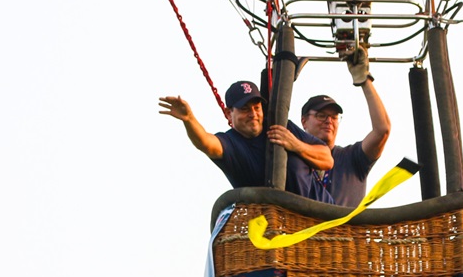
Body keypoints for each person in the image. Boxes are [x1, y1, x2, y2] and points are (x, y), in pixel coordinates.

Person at [159, 80, 335, 201]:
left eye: (257, 107)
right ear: (229, 113)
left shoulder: (281, 125)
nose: (253, 114)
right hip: (280, 228)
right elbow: (205, 142)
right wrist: (189, 119)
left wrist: (295, 145)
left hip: (323, 218)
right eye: (245, 109)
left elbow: (327, 160)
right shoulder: (230, 143)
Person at [300, 49, 391, 207]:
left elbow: (382, 130)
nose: (329, 121)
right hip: (301, 223)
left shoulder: (352, 158)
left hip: (344, 224)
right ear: (304, 121)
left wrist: (364, 79)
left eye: (334, 117)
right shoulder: (293, 158)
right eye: (321, 115)